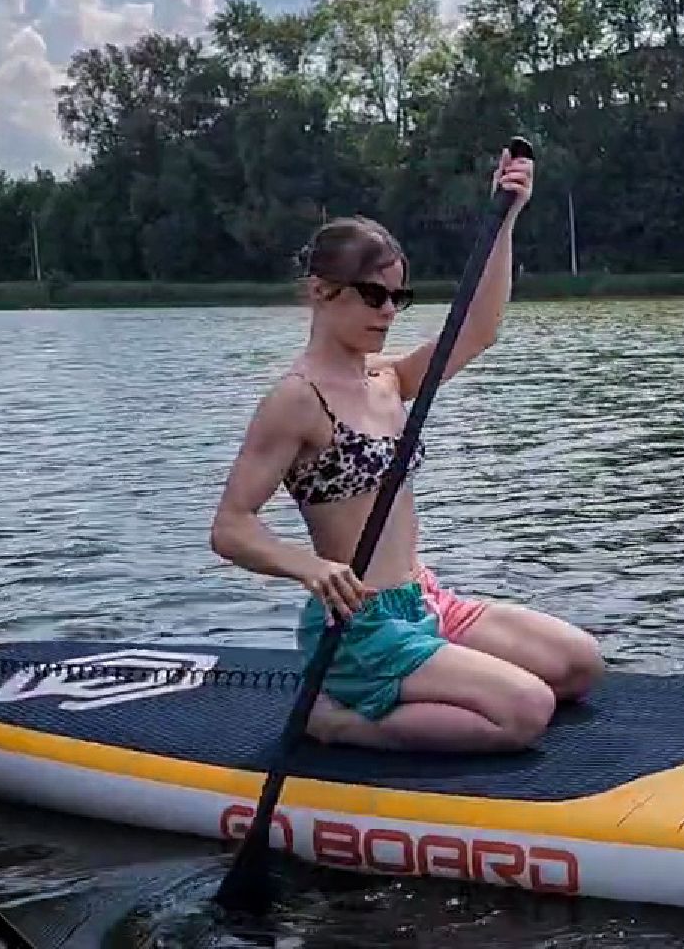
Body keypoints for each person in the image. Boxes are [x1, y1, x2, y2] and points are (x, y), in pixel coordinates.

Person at [209, 147, 603, 754]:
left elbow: (477, 331)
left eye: (399, 296)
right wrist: (311, 568)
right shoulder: (296, 400)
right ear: (321, 291)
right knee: (526, 711)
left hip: (422, 599)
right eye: (372, 295)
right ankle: (334, 720)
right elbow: (231, 527)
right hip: (358, 627)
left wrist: (505, 219)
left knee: (579, 664)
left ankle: (427, 673)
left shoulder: (388, 380)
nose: (389, 310)